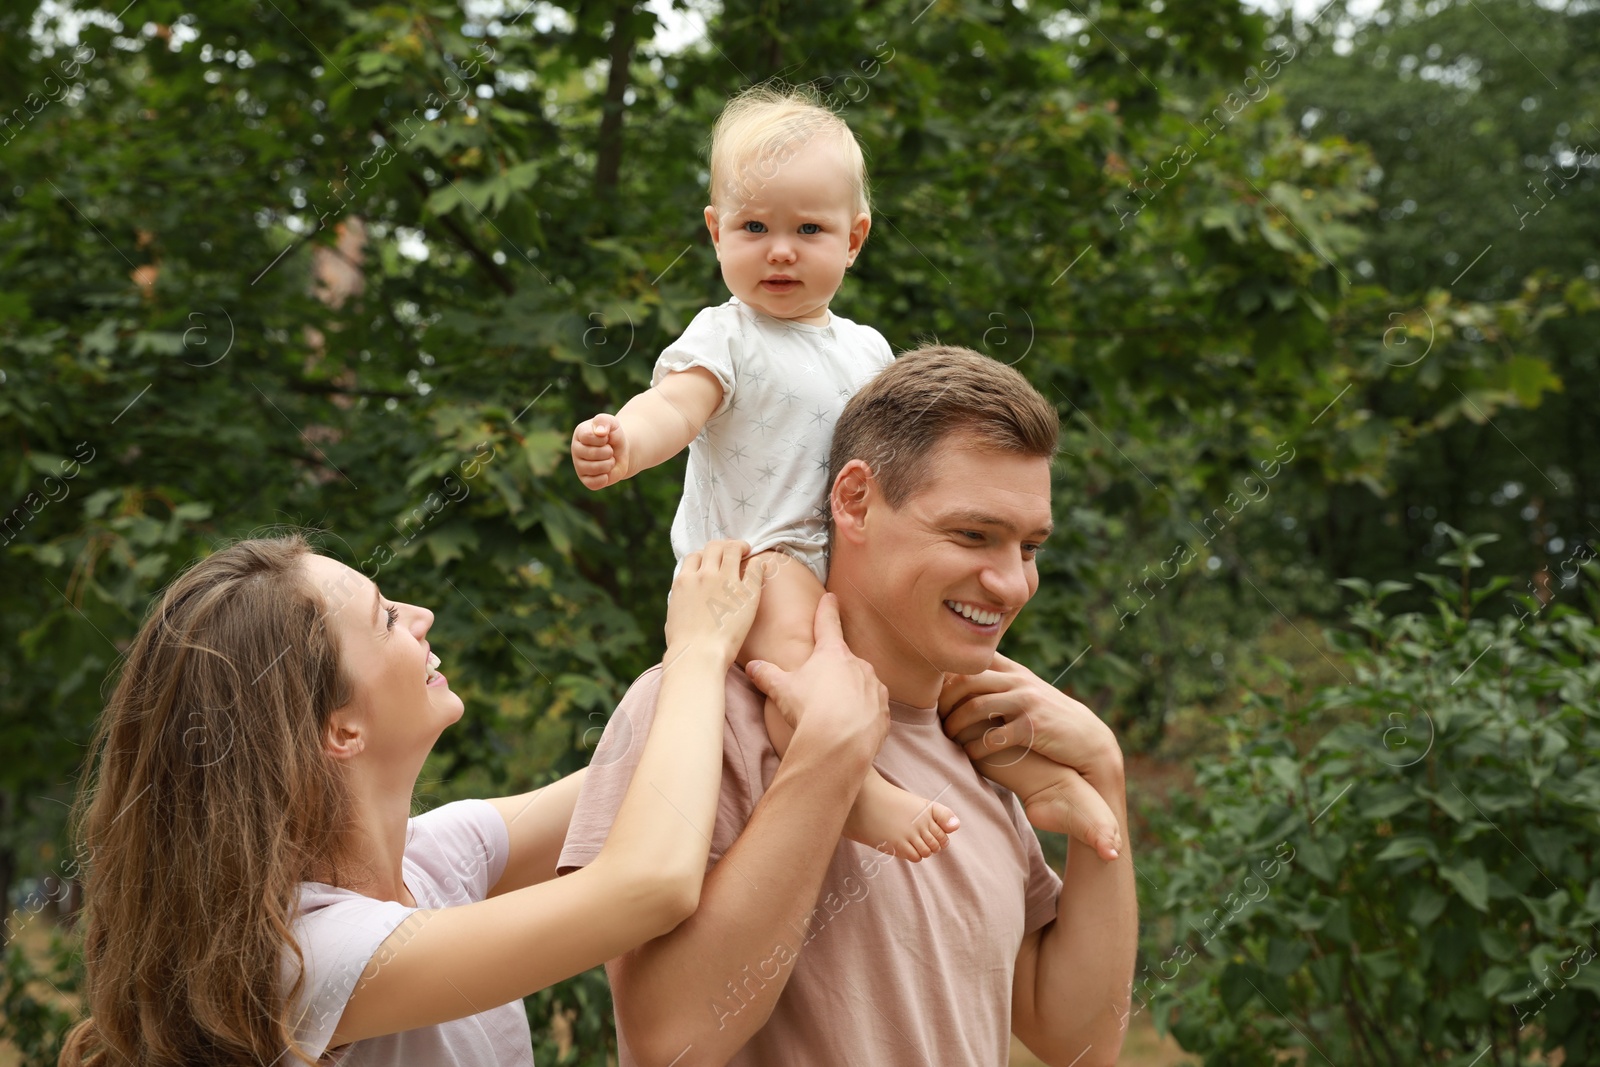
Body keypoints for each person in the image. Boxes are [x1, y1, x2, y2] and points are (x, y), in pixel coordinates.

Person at [569, 84, 1119, 865]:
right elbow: (677, 406)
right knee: (806, 664)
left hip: (847, 559)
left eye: (808, 229)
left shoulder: (868, 350)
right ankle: (856, 791)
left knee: (968, 666)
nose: (781, 249)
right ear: (715, 231)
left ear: (854, 238)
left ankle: (1032, 770)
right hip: (757, 561)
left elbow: (908, 451)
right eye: (754, 227)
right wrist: (624, 440)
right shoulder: (726, 335)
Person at [559, 346, 1139, 1067]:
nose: (1011, 583)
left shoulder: (980, 742)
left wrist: (1103, 784)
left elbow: (1077, 1037)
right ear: (855, 499)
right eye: (972, 534)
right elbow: (668, 1039)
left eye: (1029, 546)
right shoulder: (701, 712)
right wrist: (830, 757)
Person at [57, 533, 826, 1067]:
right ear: (341, 729)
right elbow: (647, 881)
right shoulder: (311, 955)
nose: (422, 618)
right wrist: (696, 648)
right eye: (387, 617)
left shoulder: (432, 862)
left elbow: (645, 778)